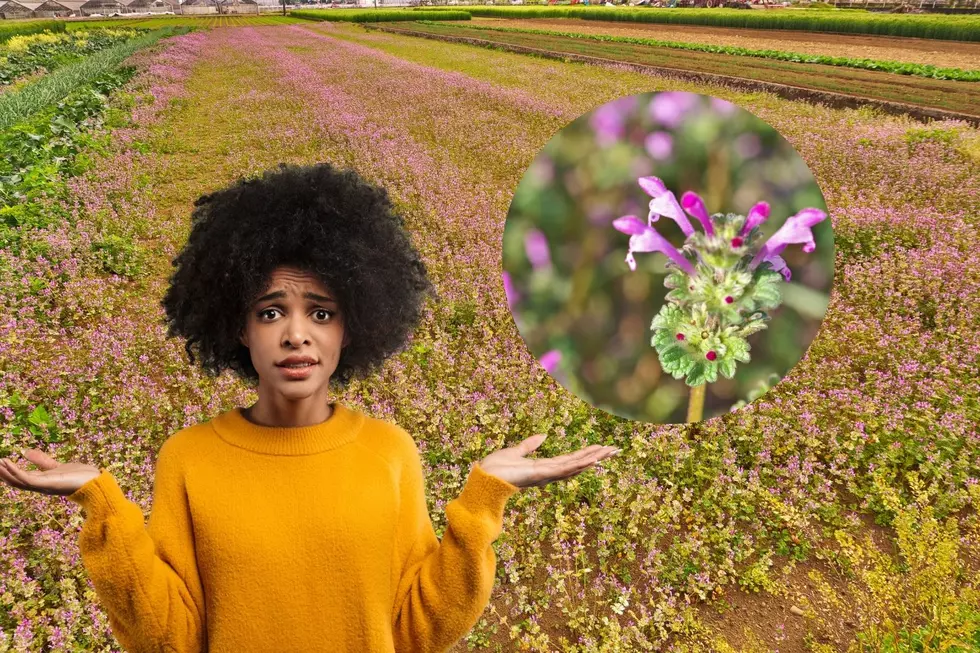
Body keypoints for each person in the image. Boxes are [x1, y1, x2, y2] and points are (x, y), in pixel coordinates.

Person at [0, 162, 621, 653]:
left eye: (320, 313)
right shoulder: (188, 459)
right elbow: (170, 637)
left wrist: (483, 499)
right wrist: (104, 507)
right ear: (238, 329)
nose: (296, 335)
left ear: (351, 328)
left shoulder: (390, 452)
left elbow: (418, 630)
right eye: (271, 312)